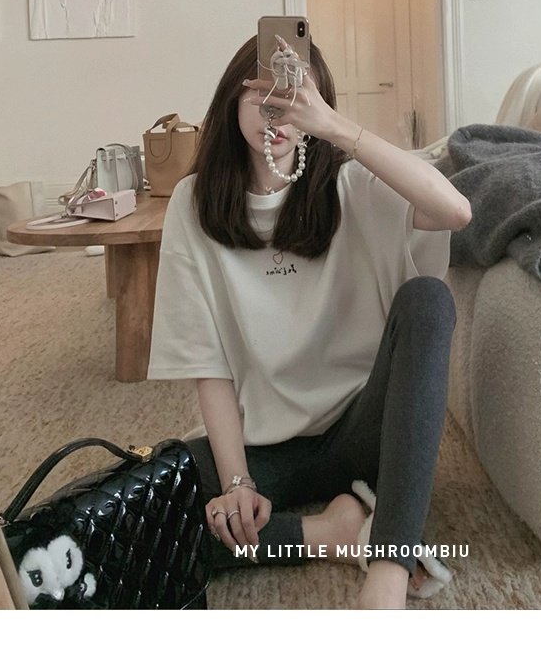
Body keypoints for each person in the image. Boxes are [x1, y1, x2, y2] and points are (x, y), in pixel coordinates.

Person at [147, 33, 471, 609]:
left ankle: (389, 564)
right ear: (231, 100)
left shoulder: (352, 184)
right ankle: (332, 532)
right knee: (147, 516)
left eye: (293, 97)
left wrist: (335, 127)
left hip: (364, 433)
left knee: (428, 300)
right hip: (268, 446)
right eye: (262, 94)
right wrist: (237, 482)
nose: (277, 112)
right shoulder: (192, 204)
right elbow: (209, 364)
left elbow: (455, 210)